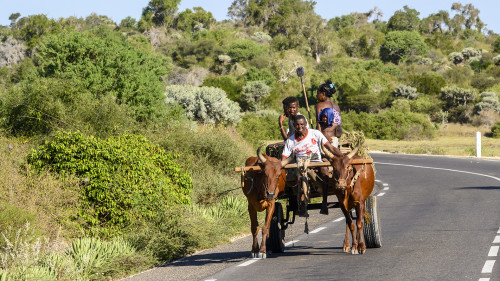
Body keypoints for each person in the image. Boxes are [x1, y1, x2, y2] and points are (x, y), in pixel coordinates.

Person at [281, 115, 342, 215]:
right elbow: (284, 157)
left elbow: (330, 147)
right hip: (300, 163)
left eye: (301, 124)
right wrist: (278, 165)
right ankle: (302, 204)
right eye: (297, 125)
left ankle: (324, 202)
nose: (299, 126)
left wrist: (342, 156)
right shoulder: (290, 141)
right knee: (298, 177)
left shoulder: (315, 133)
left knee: (324, 171)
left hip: (316, 161)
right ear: (294, 125)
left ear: (305, 124)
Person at [315, 80, 342, 148]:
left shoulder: (319, 105)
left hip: (324, 139)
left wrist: (323, 138)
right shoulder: (337, 106)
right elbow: (338, 127)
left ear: (323, 94)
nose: (317, 96)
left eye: (318, 93)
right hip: (335, 140)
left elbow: (319, 125)